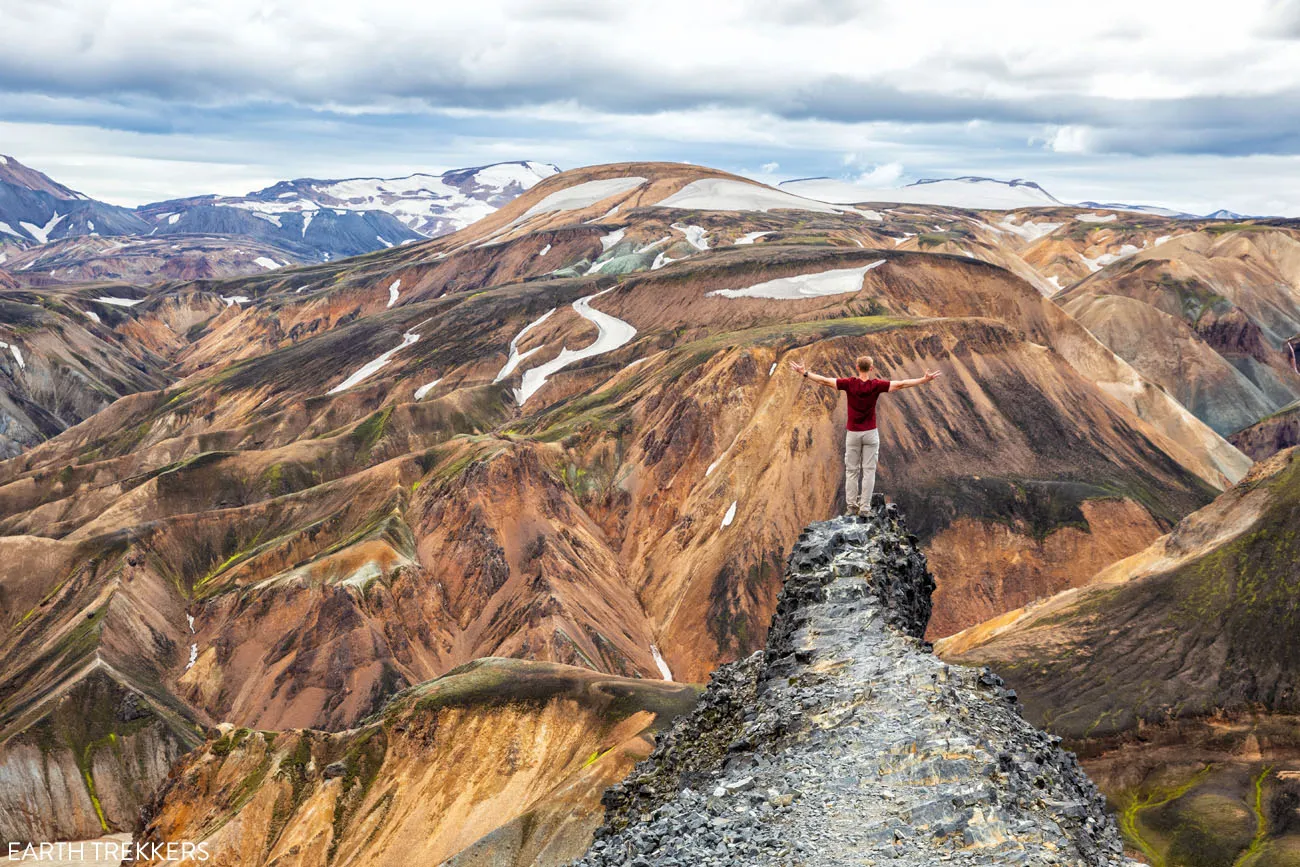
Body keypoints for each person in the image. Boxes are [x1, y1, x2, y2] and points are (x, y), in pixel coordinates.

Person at [789, 355, 941, 516]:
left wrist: (804, 373)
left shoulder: (849, 384)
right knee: (869, 471)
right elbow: (901, 384)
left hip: (853, 434)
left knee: (852, 471)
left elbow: (824, 381)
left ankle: (852, 507)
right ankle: (865, 508)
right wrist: (923, 380)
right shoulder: (876, 385)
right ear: (871, 368)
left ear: (856, 367)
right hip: (870, 433)